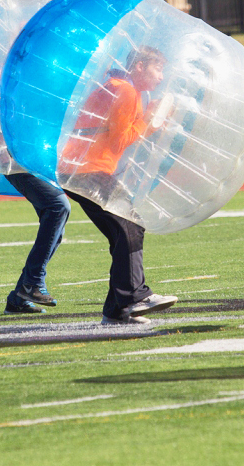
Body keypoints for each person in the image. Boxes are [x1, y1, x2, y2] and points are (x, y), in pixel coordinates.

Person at [58, 46, 177, 325]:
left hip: (79, 169)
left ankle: (117, 311)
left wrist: (145, 118)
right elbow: (119, 141)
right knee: (129, 226)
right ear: (139, 67)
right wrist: (150, 121)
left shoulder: (116, 85)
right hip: (87, 170)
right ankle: (135, 296)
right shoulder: (125, 90)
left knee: (125, 230)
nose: (161, 77)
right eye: (157, 68)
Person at [0, 70, 71, 315]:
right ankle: (32, 283)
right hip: (13, 159)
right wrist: (1, 92)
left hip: (35, 158)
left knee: (55, 224)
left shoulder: (31, 69)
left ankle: (19, 297)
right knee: (58, 207)